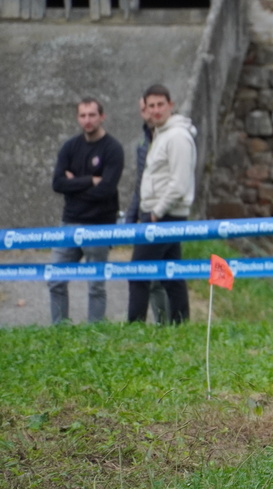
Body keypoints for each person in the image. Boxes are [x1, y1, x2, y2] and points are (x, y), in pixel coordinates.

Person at [48, 98, 124, 324]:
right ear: (77, 118)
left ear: (102, 117)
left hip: (99, 226)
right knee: (55, 279)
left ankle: (94, 332)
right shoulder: (70, 147)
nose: (87, 120)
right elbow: (57, 184)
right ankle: (59, 329)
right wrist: (90, 180)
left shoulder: (113, 149)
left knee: (96, 286)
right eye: (83, 115)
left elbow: (106, 190)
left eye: (92, 115)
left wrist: (73, 186)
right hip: (69, 223)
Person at [127, 84, 198, 325]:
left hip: (165, 214)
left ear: (171, 105)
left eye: (160, 105)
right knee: (171, 273)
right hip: (161, 213)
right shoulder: (161, 134)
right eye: (151, 106)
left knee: (138, 272)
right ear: (145, 109)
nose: (156, 110)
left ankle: (135, 326)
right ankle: (180, 324)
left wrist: (156, 212)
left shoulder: (177, 136)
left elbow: (179, 182)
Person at [123, 96, 169, 324]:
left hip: (165, 215)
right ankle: (160, 324)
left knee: (157, 276)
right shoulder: (143, 144)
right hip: (146, 216)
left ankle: (165, 324)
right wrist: (130, 219)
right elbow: (139, 186)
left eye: (154, 107)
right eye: (145, 109)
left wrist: (158, 211)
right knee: (147, 275)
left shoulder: (171, 138)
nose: (150, 113)